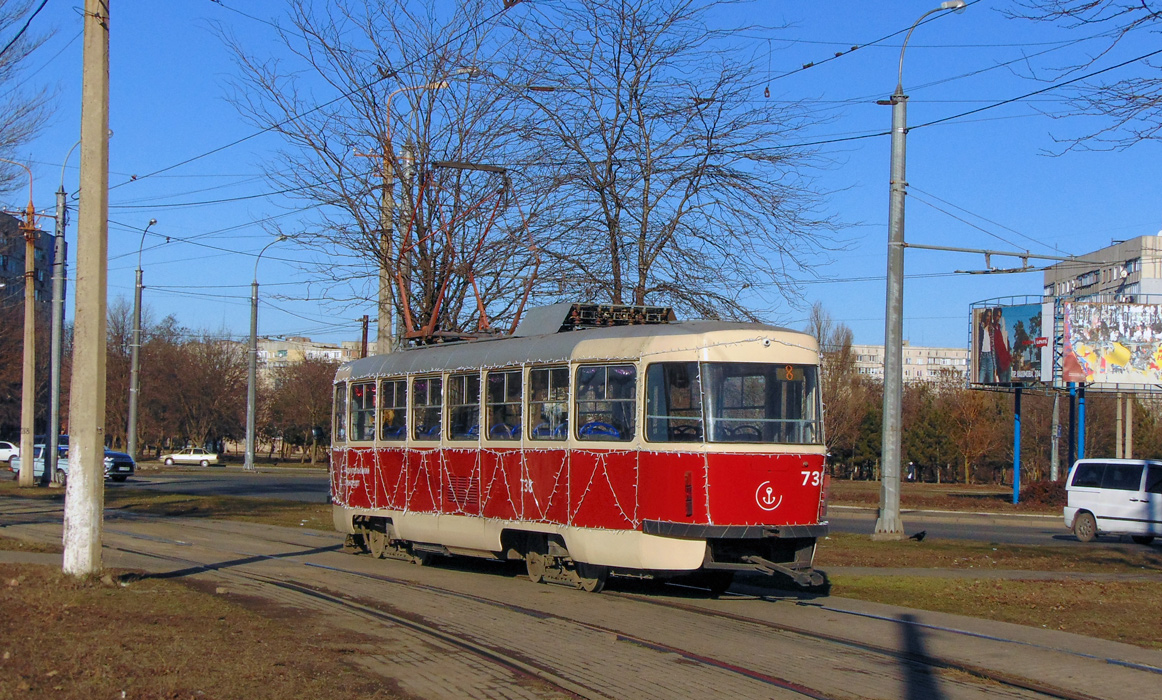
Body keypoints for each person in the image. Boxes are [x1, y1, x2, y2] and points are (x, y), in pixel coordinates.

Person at [978, 309, 995, 383]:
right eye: (987, 316)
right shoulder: (980, 327)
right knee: (980, 381)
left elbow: (993, 346)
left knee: (991, 382)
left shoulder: (991, 329)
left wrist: (995, 365)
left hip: (990, 357)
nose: (988, 318)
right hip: (983, 356)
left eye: (990, 317)